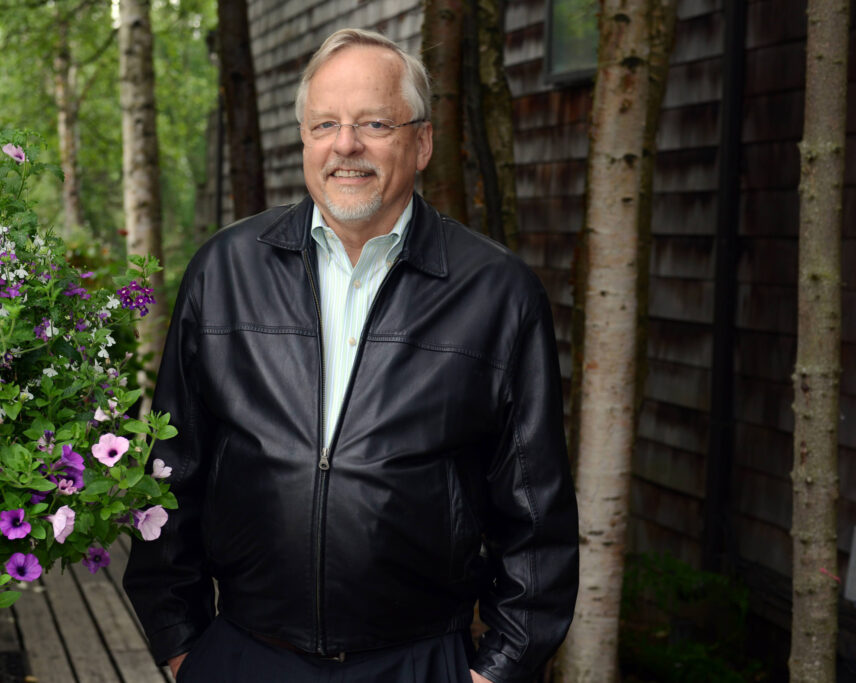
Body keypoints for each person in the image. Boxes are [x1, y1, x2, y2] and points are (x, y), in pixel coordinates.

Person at [123, 28, 578, 683]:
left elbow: (539, 520)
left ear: (421, 142)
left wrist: (494, 672)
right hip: (245, 655)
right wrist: (183, 649)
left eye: (373, 122)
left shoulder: (497, 294)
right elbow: (169, 473)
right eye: (326, 123)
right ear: (304, 139)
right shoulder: (223, 273)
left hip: (419, 662)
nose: (346, 145)